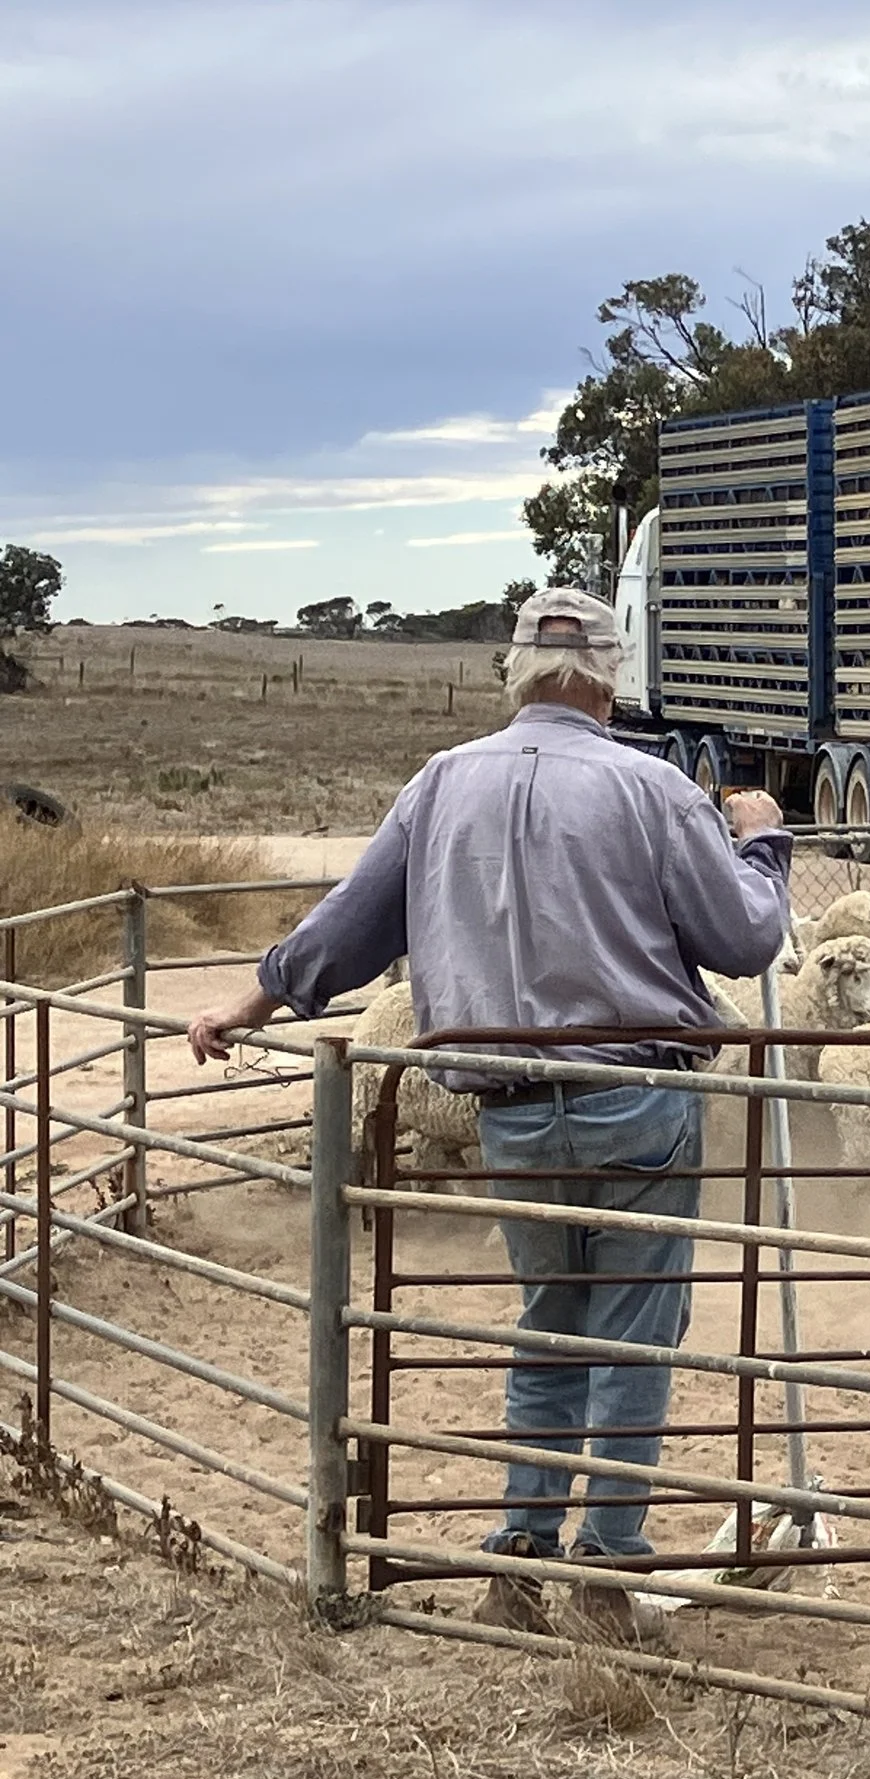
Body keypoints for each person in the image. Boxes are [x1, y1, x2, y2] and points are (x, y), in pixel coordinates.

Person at [188, 588, 791, 1638]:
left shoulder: (440, 784)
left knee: (549, 1326)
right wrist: (762, 845)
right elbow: (742, 940)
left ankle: (516, 1560)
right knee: (636, 1338)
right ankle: (606, 1574)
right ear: (610, 670)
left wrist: (253, 999)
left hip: (506, 1113)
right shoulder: (652, 789)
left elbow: (349, 928)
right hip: (634, 1102)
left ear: (511, 668)